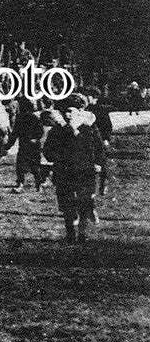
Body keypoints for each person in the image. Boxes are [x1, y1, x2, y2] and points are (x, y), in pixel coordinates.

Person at [43, 94, 105, 243]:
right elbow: (48, 151)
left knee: (84, 202)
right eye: (65, 112)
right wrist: (56, 157)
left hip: (85, 170)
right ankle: (70, 232)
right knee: (67, 203)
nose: (68, 115)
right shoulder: (58, 131)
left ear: (79, 111)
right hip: (64, 171)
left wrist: (98, 163)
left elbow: (99, 148)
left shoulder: (89, 128)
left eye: (71, 111)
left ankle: (82, 233)